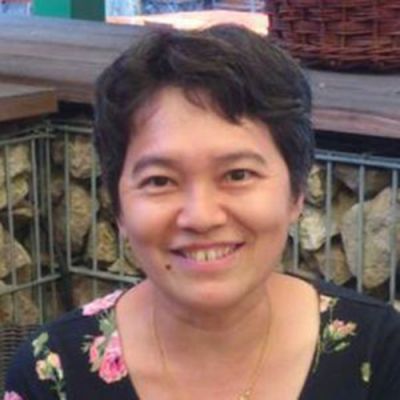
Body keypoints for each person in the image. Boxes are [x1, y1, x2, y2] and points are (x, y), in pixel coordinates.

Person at [4, 24, 400, 400]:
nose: (201, 217)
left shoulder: (380, 352)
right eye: (160, 180)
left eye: (238, 174)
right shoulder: (53, 374)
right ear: (119, 206)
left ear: (296, 192)